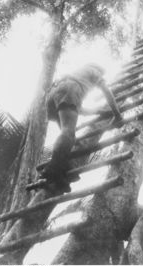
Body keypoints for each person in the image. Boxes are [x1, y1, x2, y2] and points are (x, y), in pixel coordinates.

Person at [35, 63, 122, 191]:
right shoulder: (94, 71)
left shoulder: (77, 77)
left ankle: (59, 172)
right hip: (68, 90)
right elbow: (107, 92)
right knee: (68, 133)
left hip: (53, 95)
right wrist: (117, 114)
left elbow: (76, 108)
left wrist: (97, 112)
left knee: (69, 137)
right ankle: (52, 169)